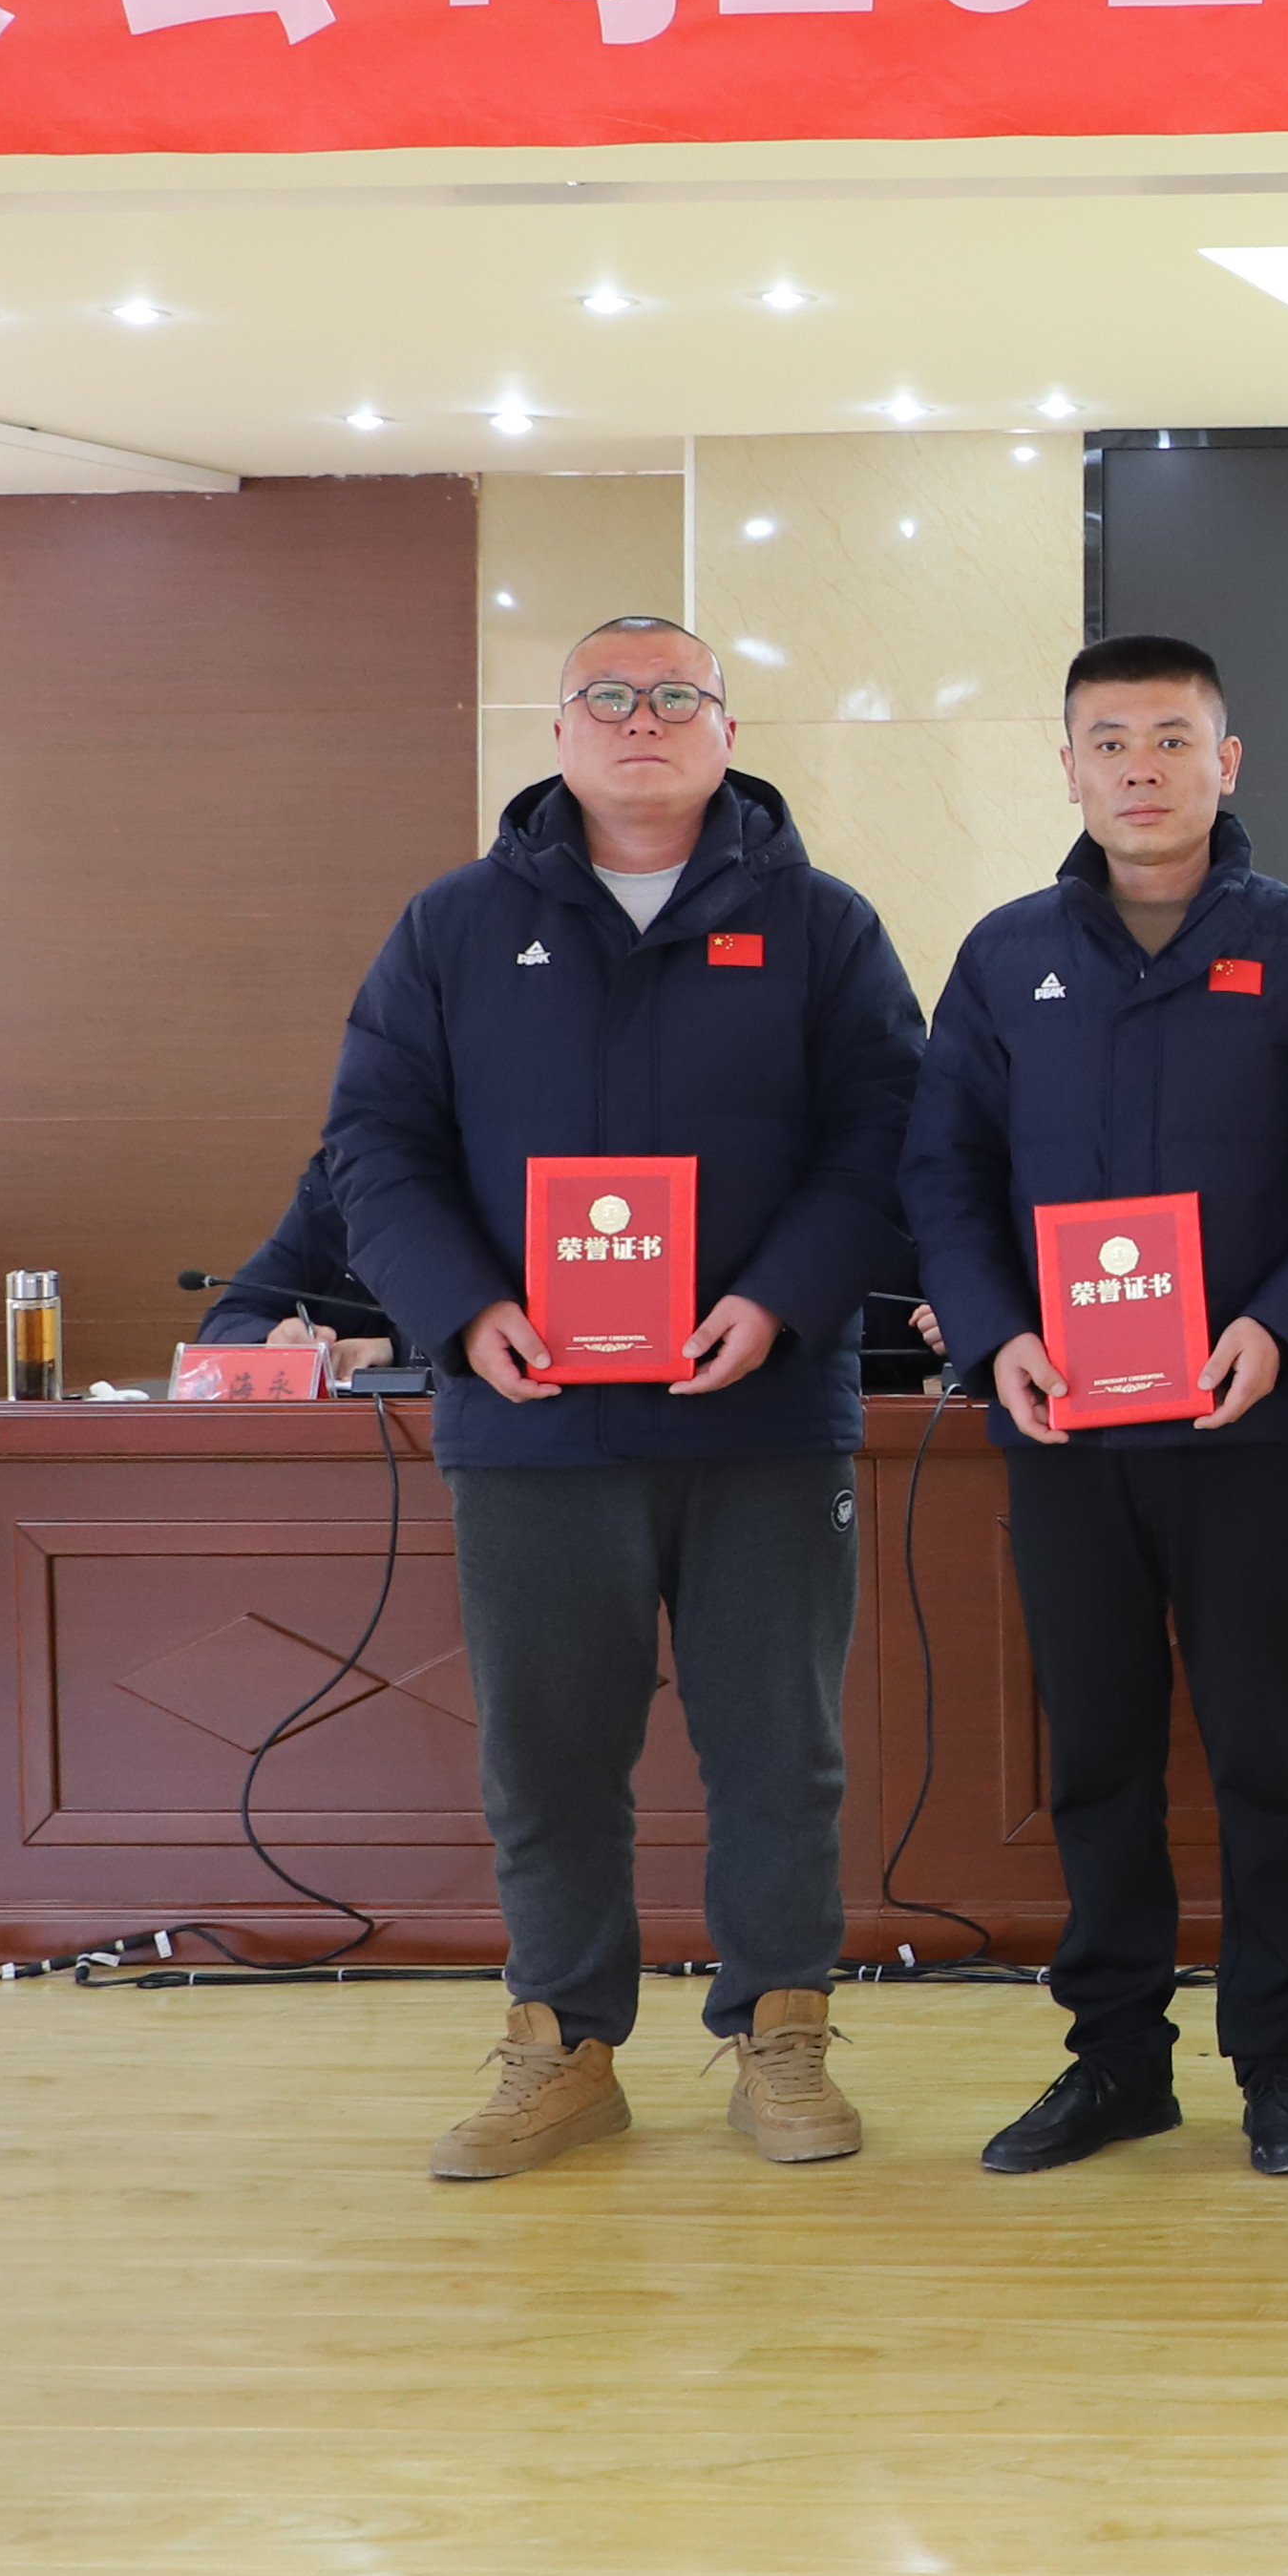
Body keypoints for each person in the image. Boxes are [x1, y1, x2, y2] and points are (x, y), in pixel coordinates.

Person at [323, 614, 928, 2180]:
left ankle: (781, 2033)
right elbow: (376, 1144)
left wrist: (777, 1301)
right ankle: (564, 2044)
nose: (641, 718)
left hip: (764, 1415)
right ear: (558, 730)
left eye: (675, 696)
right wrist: (467, 1311)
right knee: (547, 1755)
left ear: (725, 730)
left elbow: (886, 1138)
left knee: (781, 1749)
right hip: (533, 1418)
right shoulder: (453, 927)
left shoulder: (822, 927)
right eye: (608, 695)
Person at [905, 634, 1288, 2183]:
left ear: (1226, 762)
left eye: (1172, 738)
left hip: (1253, 1424)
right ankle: (1117, 2060)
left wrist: (1282, 1328)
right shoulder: (1004, 958)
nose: (1140, 766)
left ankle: (1283, 2063)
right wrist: (998, 1337)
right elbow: (943, 1173)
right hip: (1066, 1429)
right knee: (1098, 1756)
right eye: (1109, 740)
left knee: (1269, 1756)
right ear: (1067, 766)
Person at [193, 1151, 396, 1380]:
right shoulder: (325, 1203)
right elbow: (229, 1319)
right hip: (333, 1400)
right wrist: (272, 1339)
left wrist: (398, 1350)